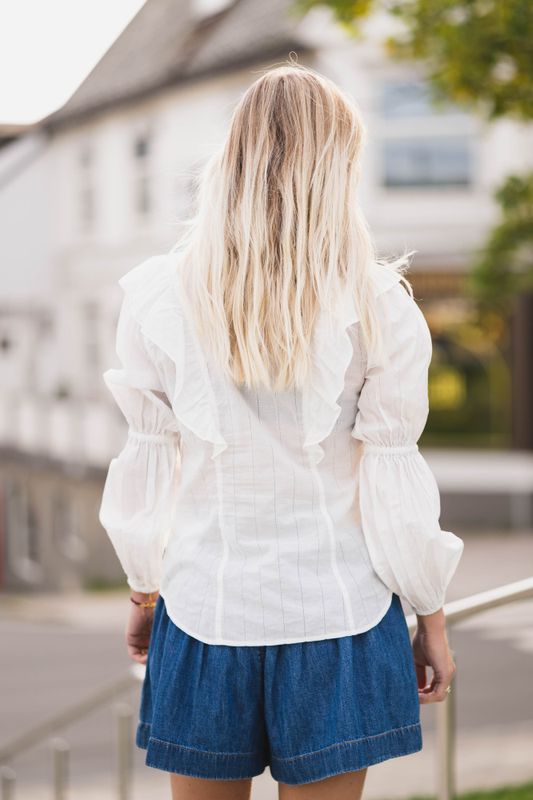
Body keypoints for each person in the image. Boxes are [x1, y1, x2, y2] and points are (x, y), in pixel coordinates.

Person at [98, 61, 464, 800]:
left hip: (203, 612)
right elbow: (390, 480)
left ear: (231, 158)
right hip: (340, 616)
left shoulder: (156, 295)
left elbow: (149, 462)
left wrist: (143, 591)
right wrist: (431, 614)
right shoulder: (380, 304)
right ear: (339, 167)